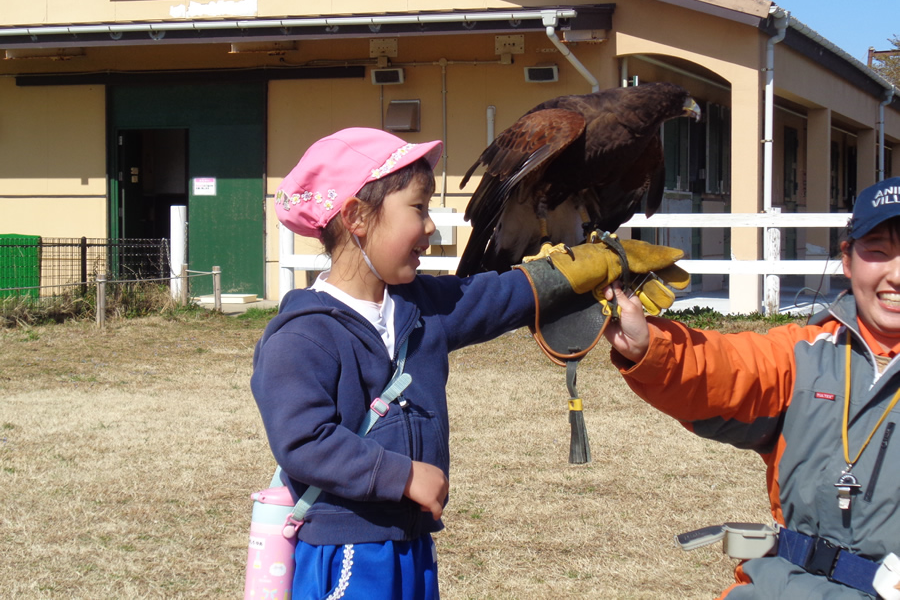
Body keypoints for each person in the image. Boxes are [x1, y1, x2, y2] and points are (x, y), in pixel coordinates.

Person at [251, 127, 684, 600]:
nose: (431, 226)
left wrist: (584, 268)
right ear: (356, 216)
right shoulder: (303, 334)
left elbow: (497, 296)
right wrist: (403, 475)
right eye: (418, 208)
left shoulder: (422, 306)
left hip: (412, 544)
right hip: (349, 550)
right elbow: (304, 440)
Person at [602, 176, 900, 599]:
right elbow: (725, 369)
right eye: (879, 251)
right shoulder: (805, 353)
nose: (897, 274)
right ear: (848, 260)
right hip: (779, 585)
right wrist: (650, 345)